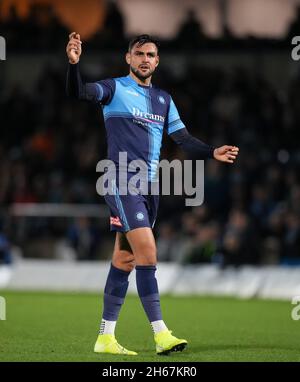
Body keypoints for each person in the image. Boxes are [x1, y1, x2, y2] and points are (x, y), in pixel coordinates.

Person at [66, 32, 239, 355]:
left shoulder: (163, 99)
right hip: (121, 182)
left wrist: (212, 151)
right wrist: (74, 65)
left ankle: (105, 337)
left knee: (126, 258)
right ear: (128, 58)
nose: (145, 59)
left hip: (150, 188)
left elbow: (183, 138)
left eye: (151, 55)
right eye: (139, 53)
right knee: (148, 254)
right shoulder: (115, 89)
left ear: (157, 61)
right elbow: (79, 92)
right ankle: (161, 335)